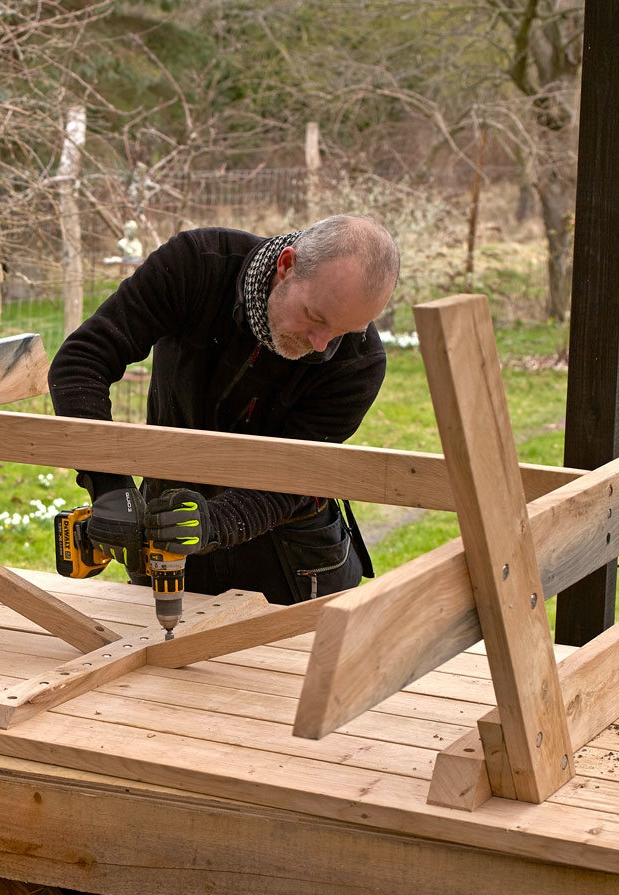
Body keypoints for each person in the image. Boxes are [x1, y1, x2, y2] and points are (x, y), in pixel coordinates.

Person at [48, 215, 399, 606]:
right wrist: (109, 486)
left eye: (342, 331)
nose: (321, 344)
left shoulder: (359, 361)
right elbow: (81, 362)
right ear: (286, 266)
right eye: (315, 318)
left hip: (292, 561)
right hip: (167, 524)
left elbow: (296, 475)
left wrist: (216, 522)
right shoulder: (196, 266)